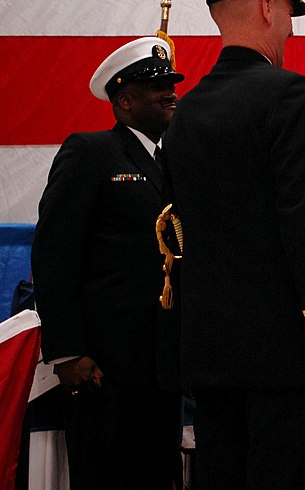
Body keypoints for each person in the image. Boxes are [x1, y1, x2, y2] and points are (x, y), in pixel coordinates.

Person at [161, 0, 305, 489]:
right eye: (291, 13)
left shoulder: (185, 113)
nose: (292, 30)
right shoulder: (290, 94)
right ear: (270, 8)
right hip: (283, 354)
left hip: (208, 351)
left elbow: (179, 234)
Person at [31, 36, 185, 490]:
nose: (170, 92)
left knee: (158, 473)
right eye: (155, 86)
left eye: (171, 83)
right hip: (103, 365)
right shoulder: (92, 153)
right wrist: (67, 351)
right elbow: (54, 253)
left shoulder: (176, 160)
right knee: (106, 474)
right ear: (123, 102)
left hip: (162, 360)